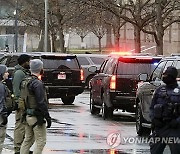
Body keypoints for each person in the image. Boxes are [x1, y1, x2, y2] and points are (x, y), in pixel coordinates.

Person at [20, 59, 51, 154]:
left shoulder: (25, 81)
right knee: (41, 141)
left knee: (27, 140)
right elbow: (41, 102)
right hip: (36, 116)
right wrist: (47, 116)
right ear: (40, 69)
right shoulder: (37, 83)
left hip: (27, 115)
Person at [149, 66, 180, 154]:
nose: (164, 77)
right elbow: (152, 107)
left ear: (172, 76)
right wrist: (154, 119)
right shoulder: (159, 90)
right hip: (159, 128)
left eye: (166, 75)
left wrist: (177, 121)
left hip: (174, 129)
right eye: (164, 75)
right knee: (154, 151)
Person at [12, 54, 32, 154]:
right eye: (29, 61)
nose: (30, 63)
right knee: (20, 126)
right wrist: (18, 102)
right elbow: (16, 89)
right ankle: (18, 148)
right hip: (21, 104)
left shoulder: (25, 72)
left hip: (26, 103)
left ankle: (24, 148)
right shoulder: (19, 73)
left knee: (25, 126)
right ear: (24, 62)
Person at [0, 65, 10, 153]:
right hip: (0, 116)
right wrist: (4, 116)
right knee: (1, 138)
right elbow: (1, 102)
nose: (8, 74)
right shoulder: (1, 86)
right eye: (6, 72)